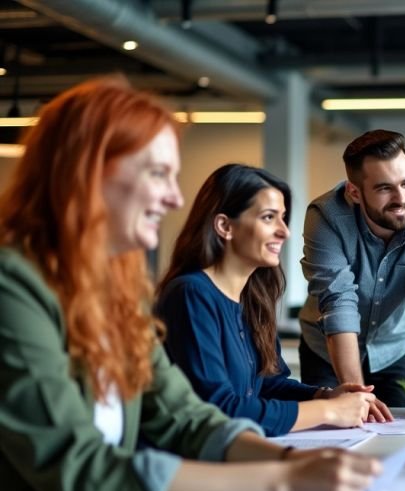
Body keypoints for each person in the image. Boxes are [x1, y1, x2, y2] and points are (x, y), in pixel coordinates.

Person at [0, 77, 379, 491]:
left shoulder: (114, 293)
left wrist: (291, 461)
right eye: (158, 174)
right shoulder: (13, 287)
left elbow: (184, 416)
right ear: (89, 172)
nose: (174, 198)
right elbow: (77, 468)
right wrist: (283, 480)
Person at [157, 164, 391, 438]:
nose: (284, 231)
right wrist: (330, 411)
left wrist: (325, 395)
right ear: (224, 226)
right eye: (269, 218)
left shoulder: (252, 300)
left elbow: (268, 384)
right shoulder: (191, 294)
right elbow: (219, 409)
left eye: (283, 218)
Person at [298, 129, 405, 408]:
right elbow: (338, 303)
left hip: (395, 350)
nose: (401, 198)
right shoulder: (325, 216)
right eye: (385, 188)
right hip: (326, 349)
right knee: (331, 435)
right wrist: (357, 397)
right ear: (354, 192)